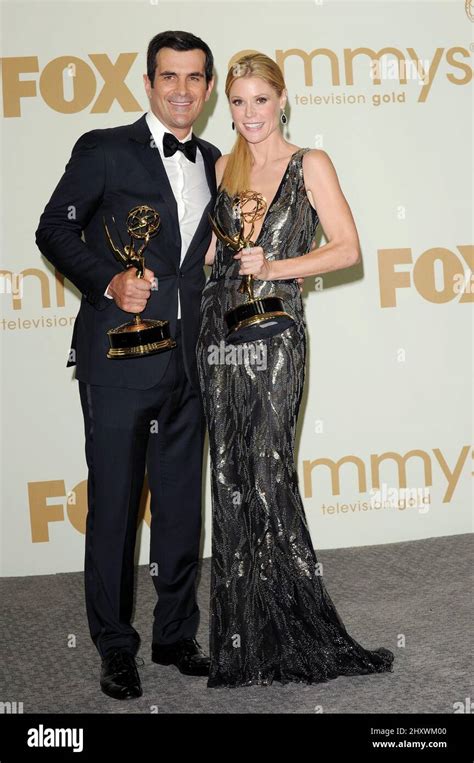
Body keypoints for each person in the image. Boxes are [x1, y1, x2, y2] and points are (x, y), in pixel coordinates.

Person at [196, 53, 395, 688]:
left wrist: (276, 267)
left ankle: (295, 628)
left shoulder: (311, 163)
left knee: (266, 468)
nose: (248, 114)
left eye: (259, 100)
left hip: (277, 335)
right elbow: (208, 257)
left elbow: (348, 248)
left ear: (282, 100)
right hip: (220, 336)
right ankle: (243, 642)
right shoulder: (224, 168)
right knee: (227, 474)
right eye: (237, 102)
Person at [35, 30, 221, 700]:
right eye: (168, 77)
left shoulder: (216, 160)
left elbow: (204, 256)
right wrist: (111, 280)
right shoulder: (104, 149)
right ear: (147, 83)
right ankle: (117, 646)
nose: (181, 90)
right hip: (117, 358)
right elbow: (53, 227)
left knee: (179, 508)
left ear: (207, 87)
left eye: (195, 78)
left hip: (190, 365)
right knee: (115, 508)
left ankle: (175, 635)